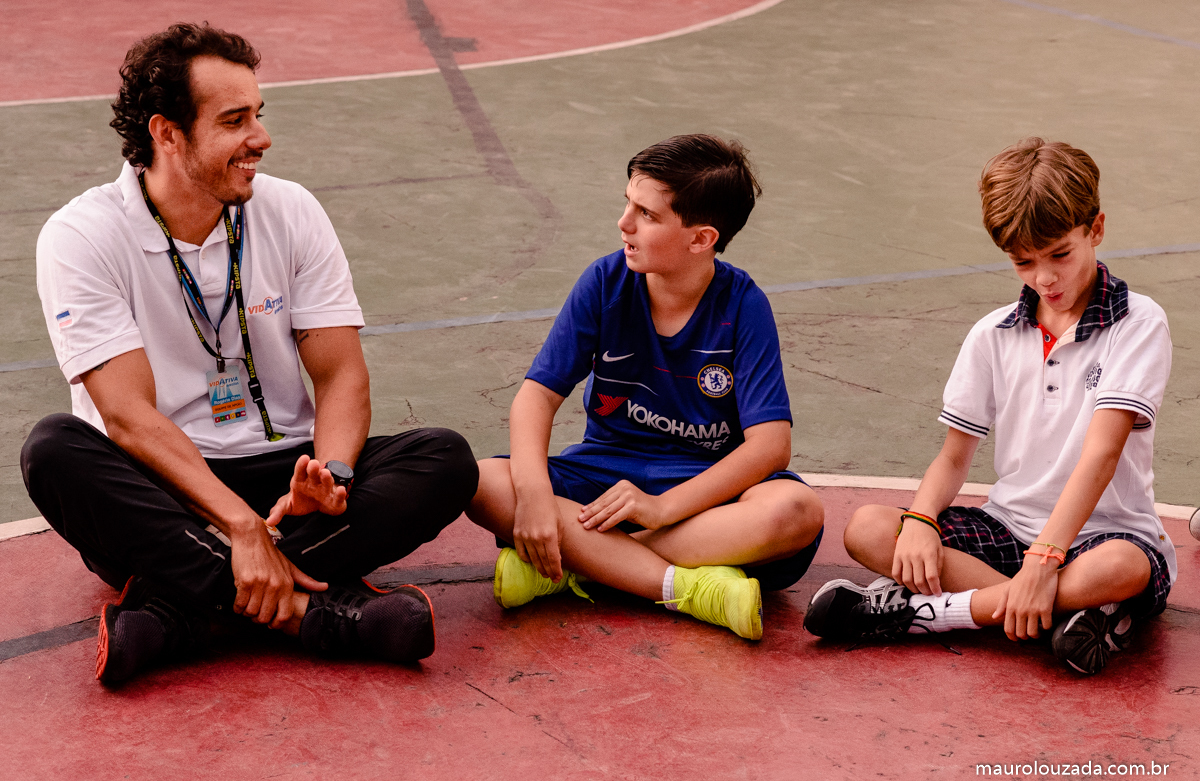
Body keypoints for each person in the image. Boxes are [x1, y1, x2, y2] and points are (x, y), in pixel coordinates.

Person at [21, 23, 478, 686]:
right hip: (163, 489)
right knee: (55, 450)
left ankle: (182, 608)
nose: (259, 138)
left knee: (445, 458)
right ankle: (310, 614)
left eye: (257, 115)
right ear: (167, 133)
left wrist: (334, 478)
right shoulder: (81, 236)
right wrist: (237, 525)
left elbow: (342, 373)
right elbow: (125, 417)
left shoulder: (289, 210)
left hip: (284, 480)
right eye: (234, 121)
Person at [803, 138, 1174, 675]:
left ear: (1095, 229)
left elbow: (1102, 454)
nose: (1044, 278)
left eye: (1060, 255)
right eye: (1023, 261)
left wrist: (1045, 561)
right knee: (870, 529)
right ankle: (1055, 617)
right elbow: (954, 458)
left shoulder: (1138, 323)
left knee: (1120, 566)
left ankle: (933, 612)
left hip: (1103, 534)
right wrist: (922, 520)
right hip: (1006, 529)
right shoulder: (992, 334)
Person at [466, 134, 824, 640]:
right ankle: (696, 588)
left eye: (648, 215)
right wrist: (532, 497)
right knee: (481, 481)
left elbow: (771, 446)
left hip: (701, 494)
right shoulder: (605, 282)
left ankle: (578, 564)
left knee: (796, 511)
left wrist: (662, 508)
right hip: (603, 478)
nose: (624, 223)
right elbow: (536, 397)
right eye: (627, 203)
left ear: (701, 239)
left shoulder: (744, 305)